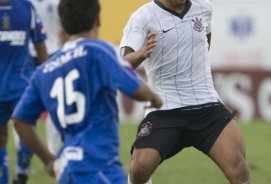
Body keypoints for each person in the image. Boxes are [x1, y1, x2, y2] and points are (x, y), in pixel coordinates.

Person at [11, 0, 162, 183]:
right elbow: (135, 89)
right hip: (98, 165)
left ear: (64, 26)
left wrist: (49, 160)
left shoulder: (45, 70)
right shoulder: (100, 50)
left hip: (66, 170)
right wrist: (154, 98)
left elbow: (19, 121)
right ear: (97, 20)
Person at [120, 0, 252, 184]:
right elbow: (124, 63)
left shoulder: (204, 7)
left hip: (206, 105)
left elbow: (206, 40)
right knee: (139, 169)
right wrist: (141, 53)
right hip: (165, 109)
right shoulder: (142, 17)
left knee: (238, 165)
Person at [0, 0, 48, 183]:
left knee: (26, 129)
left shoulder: (26, 7)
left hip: (22, 84)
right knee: (1, 137)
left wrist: (45, 80)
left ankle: (21, 172)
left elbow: (40, 46)